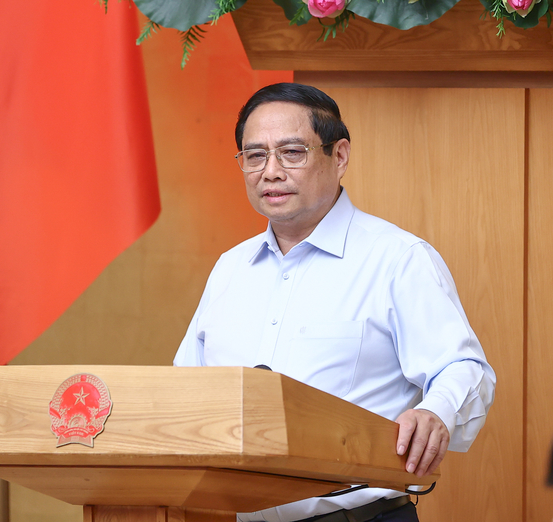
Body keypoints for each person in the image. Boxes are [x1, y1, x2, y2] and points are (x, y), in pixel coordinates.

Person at [173, 83, 496, 522]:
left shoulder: (397, 258)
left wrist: (434, 411)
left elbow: (463, 368)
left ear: (339, 156)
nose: (270, 172)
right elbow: (183, 393)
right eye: (254, 156)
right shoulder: (230, 269)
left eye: (291, 152)